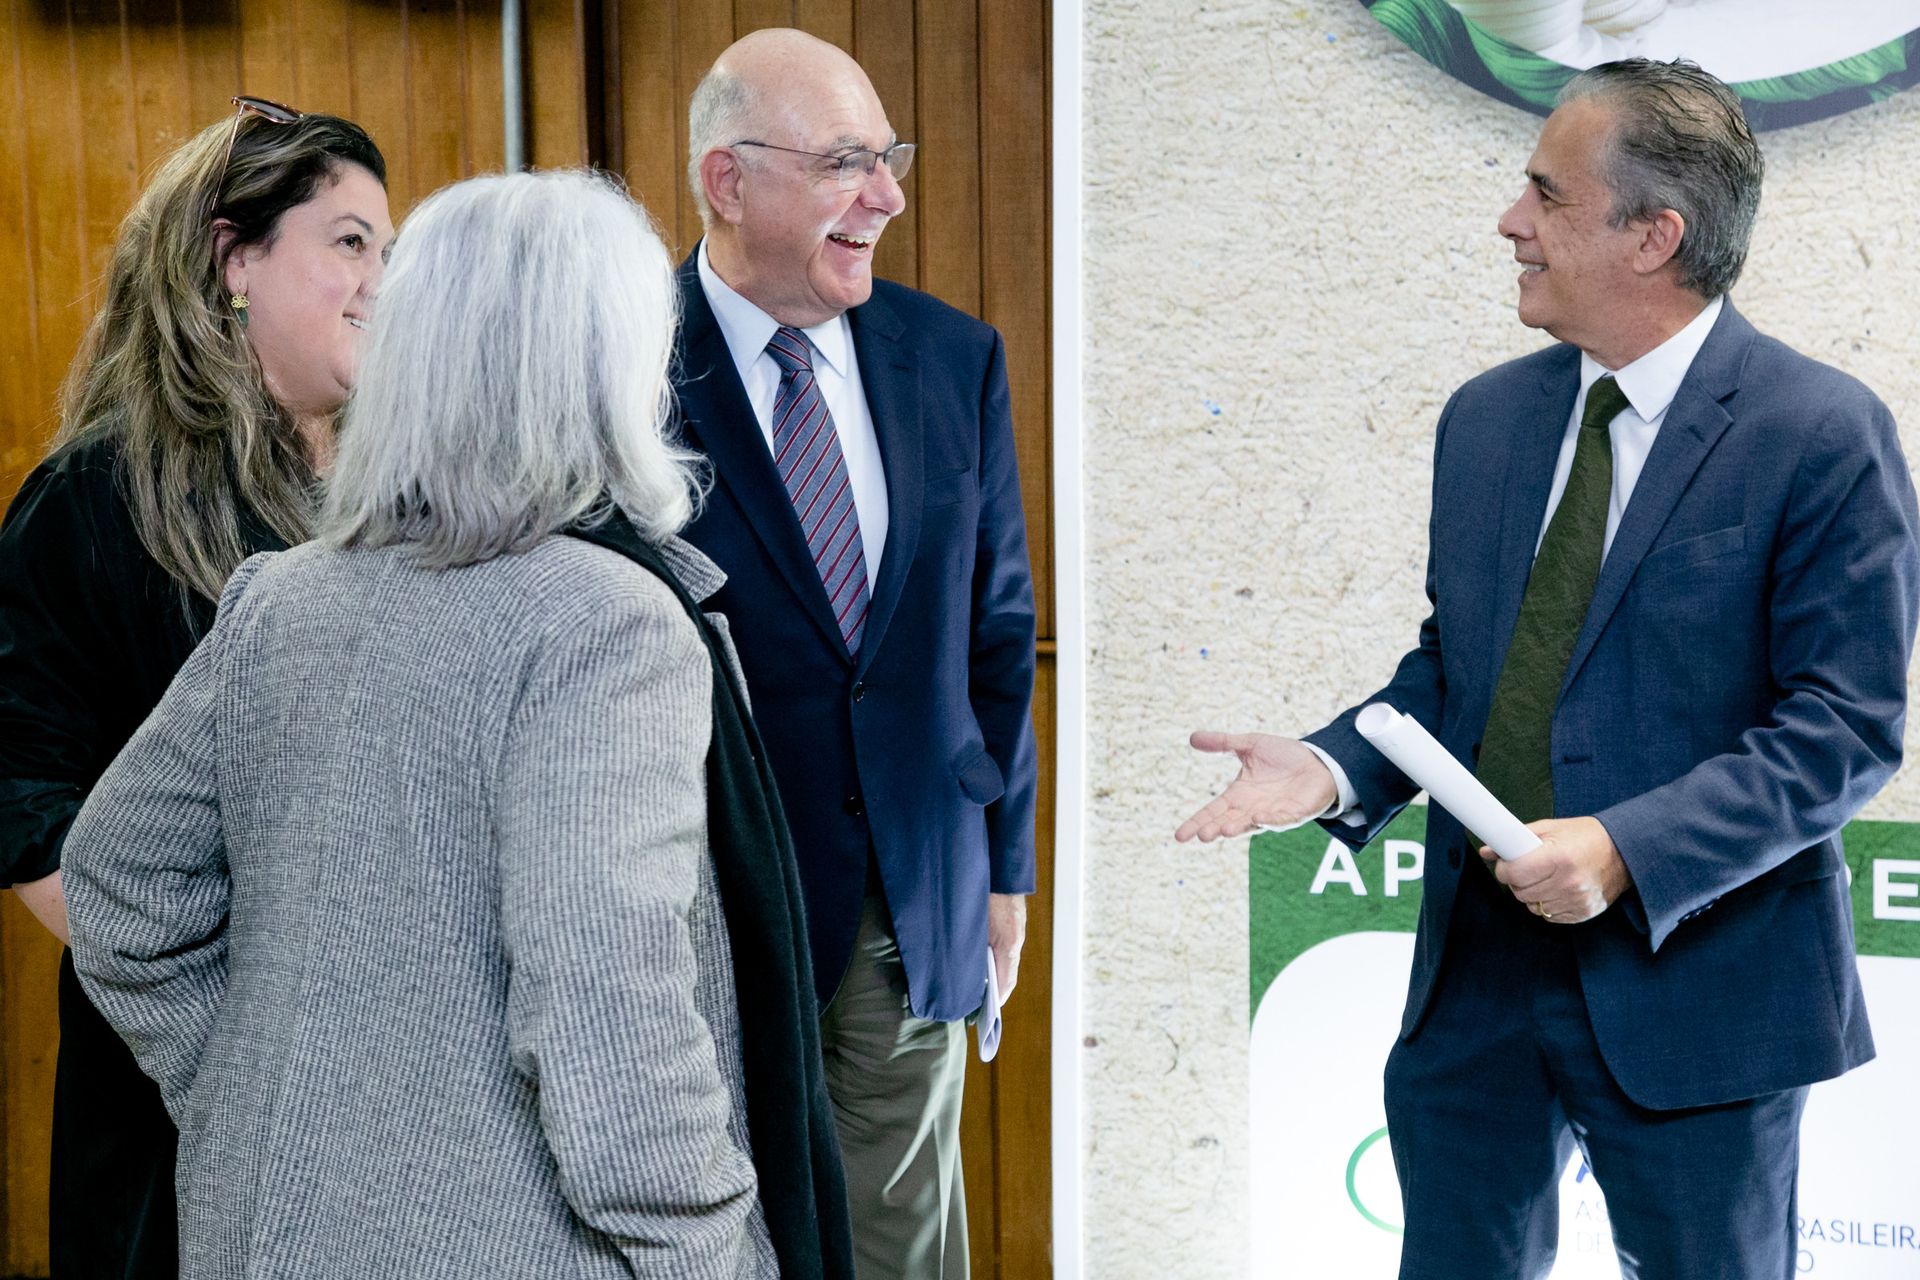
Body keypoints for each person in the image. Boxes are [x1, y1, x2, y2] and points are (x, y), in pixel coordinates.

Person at [1178, 59, 1920, 1280]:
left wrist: (1622, 849)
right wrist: (1327, 764)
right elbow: (1458, 668)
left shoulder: (1821, 432)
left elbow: (1842, 731)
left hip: (1704, 994)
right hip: (1477, 984)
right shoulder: (1486, 420)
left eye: (1546, 195)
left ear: (1654, 235)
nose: (1509, 222)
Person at [61, 168, 853, 1278]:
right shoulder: (608, 624)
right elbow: (606, 1013)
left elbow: (116, 880)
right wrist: (714, 1254)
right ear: (607, 364)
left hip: (265, 1231)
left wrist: (253, 1097)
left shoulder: (285, 595)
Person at [0, 96, 391, 1278]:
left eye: (392, 247)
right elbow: (24, 805)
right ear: (233, 260)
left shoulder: (410, 496)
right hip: (179, 1095)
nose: (384, 279)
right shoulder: (90, 503)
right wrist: (215, 1009)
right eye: (350, 241)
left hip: (386, 1090)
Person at [677, 28, 1039, 1278]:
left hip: (909, 893)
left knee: (898, 1242)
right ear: (729, 181)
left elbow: (997, 636)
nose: (887, 194)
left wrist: (1003, 869)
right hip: (696, 911)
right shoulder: (615, 368)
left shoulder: (952, 357)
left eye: (889, 158)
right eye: (846, 162)